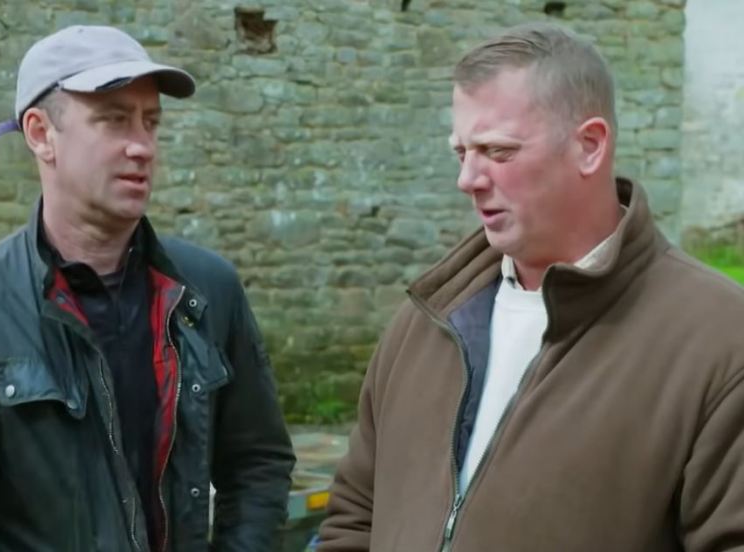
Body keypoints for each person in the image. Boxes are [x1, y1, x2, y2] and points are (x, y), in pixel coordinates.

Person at [318, 22, 744, 552]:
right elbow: (354, 518)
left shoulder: (721, 339)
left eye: (498, 152)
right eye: (462, 152)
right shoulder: (427, 320)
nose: (468, 179)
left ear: (589, 146)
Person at [0, 25, 295, 552]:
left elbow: (258, 463)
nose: (142, 146)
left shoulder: (207, 290)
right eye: (113, 119)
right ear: (40, 133)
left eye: (151, 122)